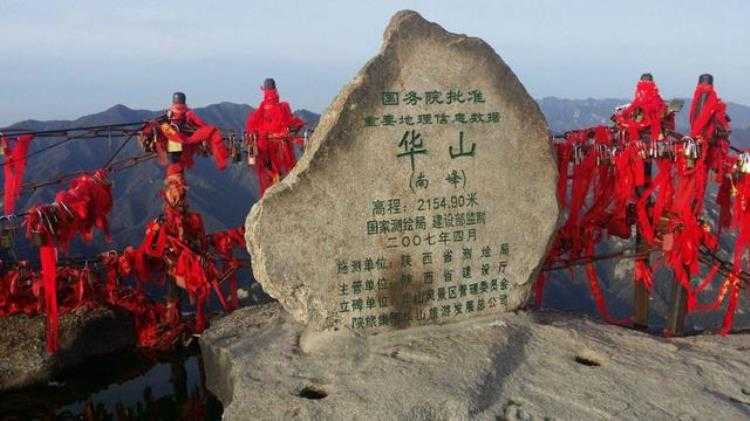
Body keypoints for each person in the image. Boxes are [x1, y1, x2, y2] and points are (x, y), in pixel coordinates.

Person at [245, 78, 305, 195]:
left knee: (267, 168)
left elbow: (252, 128)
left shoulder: (261, 110)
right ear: (275, 89)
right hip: (281, 145)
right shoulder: (283, 107)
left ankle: (274, 181)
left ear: (264, 91)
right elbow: (291, 124)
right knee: (284, 169)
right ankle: (280, 183)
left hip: (265, 145)